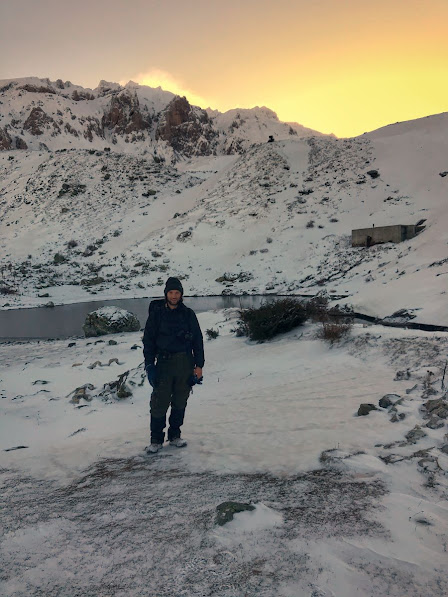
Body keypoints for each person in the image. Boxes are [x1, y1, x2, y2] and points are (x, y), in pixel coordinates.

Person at [143, 277, 204, 454]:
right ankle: (156, 440)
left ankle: (175, 435)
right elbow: (149, 341)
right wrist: (149, 365)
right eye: (171, 292)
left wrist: (199, 366)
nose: (174, 296)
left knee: (180, 400)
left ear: (181, 294)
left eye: (177, 293)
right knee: (159, 402)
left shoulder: (188, 314)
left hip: (185, 363)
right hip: (163, 363)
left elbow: (198, 341)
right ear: (166, 294)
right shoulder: (156, 314)